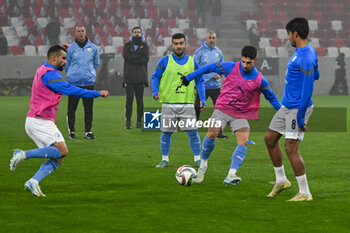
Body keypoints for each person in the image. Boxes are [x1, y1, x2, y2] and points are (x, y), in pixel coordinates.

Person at [9, 45, 109, 197]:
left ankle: (33, 182)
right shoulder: (50, 74)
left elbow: (55, 54)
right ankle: (22, 154)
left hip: (35, 120)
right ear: (53, 58)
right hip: (40, 121)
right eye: (63, 59)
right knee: (63, 151)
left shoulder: (42, 68)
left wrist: (63, 49)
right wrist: (95, 93)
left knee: (58, 158)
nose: (65, 62)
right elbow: (70, 89)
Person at [181, 45, 281, 185]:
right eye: (243, 61)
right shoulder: (230, 67)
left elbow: (272, 98)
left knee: (244, 140)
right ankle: (202, 168)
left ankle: (231, 175)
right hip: (222, 109)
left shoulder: (259, 79)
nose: (245, 65)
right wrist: (189, 77)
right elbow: (208, 68)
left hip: (240, 114)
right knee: (212, 133)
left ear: (255, 61)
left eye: (249, 63)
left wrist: (285, 114)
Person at [264, 18, 319, 202]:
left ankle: (305, 192)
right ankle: (281, 180)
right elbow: (315, 74)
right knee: (270, 139)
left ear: (295, 34)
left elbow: (308, 90)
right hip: (287, 107)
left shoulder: (306, 57)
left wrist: (301, 117)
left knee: (291, 148)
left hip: (297, 110)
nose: (288, 37)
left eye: (289, 34)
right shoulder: (305, 52)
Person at [152, 33, 206, 168]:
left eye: (181, 43)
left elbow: (200, 80)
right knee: (166, 133)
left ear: (185, 44)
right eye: (176, 44)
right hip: (168, 103)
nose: (178, 46)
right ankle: (164, 160)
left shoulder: (192, 62)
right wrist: (155, 91)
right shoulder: (164, 61)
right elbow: (155, 77)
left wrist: (202, 98)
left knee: (193, 132)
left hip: (186, 103)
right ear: (172, 45)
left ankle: (197, 159)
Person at [65, 25, 100, 140]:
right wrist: (72, 74)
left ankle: (88, 132)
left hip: (88, 83)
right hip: (74, 83)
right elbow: (67, 64)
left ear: (85, 32)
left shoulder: (93, 48)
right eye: (78, 31)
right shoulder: (71, 48)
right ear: (75, 34)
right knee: (71, 109)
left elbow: (96, 64)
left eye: (82, 31)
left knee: (88, 109)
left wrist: (89, 74)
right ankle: (72, 132)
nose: (80, 33)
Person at [193, 31, 227, 139]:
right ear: (206, 39)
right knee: (197, 108)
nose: (212, 39)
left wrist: (220, 74)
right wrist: (194, 85)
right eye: (210, 37)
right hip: (202, 85)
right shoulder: (199, 52)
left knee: (220, 110)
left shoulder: (218, 52)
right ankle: (193, 130)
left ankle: (219, 132)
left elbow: (222, 66)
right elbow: (194, 69)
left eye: (213, 37)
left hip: (215, 86)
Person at [123, 26, 150, 129]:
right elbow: (126, 57)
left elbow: (145, 59)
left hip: (140, 77)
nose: (137, 34)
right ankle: (128, 121)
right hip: (129, 77)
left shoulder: (145, 45)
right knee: (129, 99)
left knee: (140, 100)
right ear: (132, 34)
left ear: (141, 34)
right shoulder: (127, 45)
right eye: (135, 32)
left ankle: (139, 122)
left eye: (139, 32)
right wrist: (139, 56)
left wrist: (133, 58)